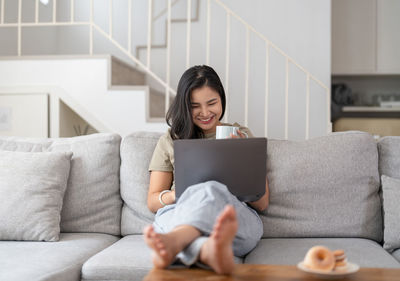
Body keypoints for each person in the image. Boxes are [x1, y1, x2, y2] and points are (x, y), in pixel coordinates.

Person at [144, 65, 269, 274]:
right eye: (195, 106)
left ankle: (177, 241)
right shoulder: (170, 140)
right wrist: (182, 193)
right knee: (202, 190)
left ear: (221, 99)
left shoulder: (241, 134)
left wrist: (240, 162)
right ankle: (207, 250)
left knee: (211, 188)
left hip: (230, 216)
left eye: (212, 103)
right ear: (184, 105)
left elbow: (262, 203)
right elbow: (152, 201)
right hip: (180, 210)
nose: (205, 113)